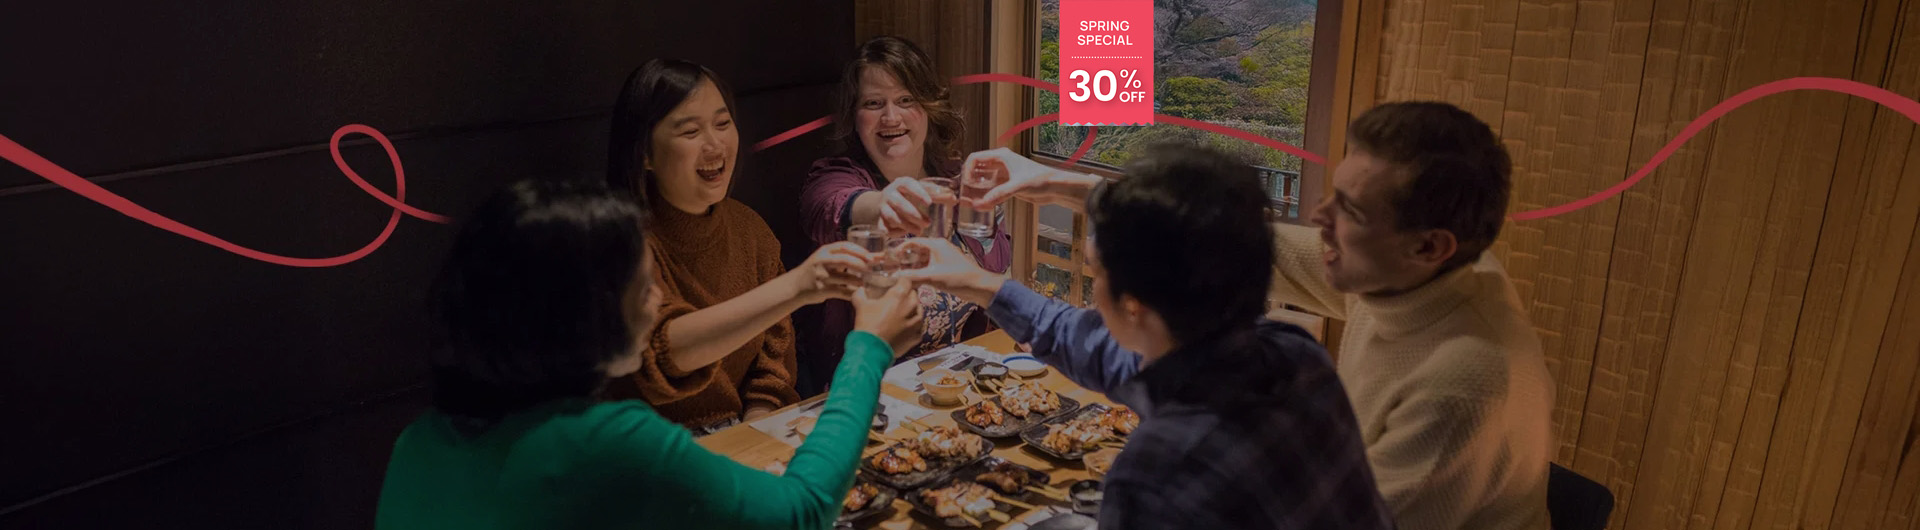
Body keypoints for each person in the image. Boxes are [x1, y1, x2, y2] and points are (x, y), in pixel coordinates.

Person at [943, 101, 1554, 530]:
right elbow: (1217, 236)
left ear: (1429, 246)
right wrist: (1047, 184)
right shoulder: (1358, 306)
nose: (1319, 217)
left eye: (1350, 210)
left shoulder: (1465, 384)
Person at [374, 179, 925, 530]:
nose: (658, 299)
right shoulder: (610, 441)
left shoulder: (417, 442)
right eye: (642, 288)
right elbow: (802, 511)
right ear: (579, 316)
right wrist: (868, 349)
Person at [897, 143, 1396, 530]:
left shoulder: (1157, 475)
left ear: (1132, 306)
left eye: (1096, 270)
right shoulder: (1296, 354)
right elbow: (1099, 349)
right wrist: (980, 283)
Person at [603, 59, 873, 432]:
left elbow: (773, 367)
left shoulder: (749, 229)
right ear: (644, 152)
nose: (715, 144)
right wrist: (797, 286)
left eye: (722, 123)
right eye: (690, 131)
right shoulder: (621, 240)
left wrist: (753, 432)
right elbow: (663, 355)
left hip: (743, 432)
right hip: (645, 444)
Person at [798, 36, 1010, 379]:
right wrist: (886, 204)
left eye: (905, 99)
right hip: (870, 389)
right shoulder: (833, 176)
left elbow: (994, 281)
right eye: (873, 103)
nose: (891, 116)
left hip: (959, 384)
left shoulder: (961, 184)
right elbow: (828, 208)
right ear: (854, 116)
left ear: (929, 105)